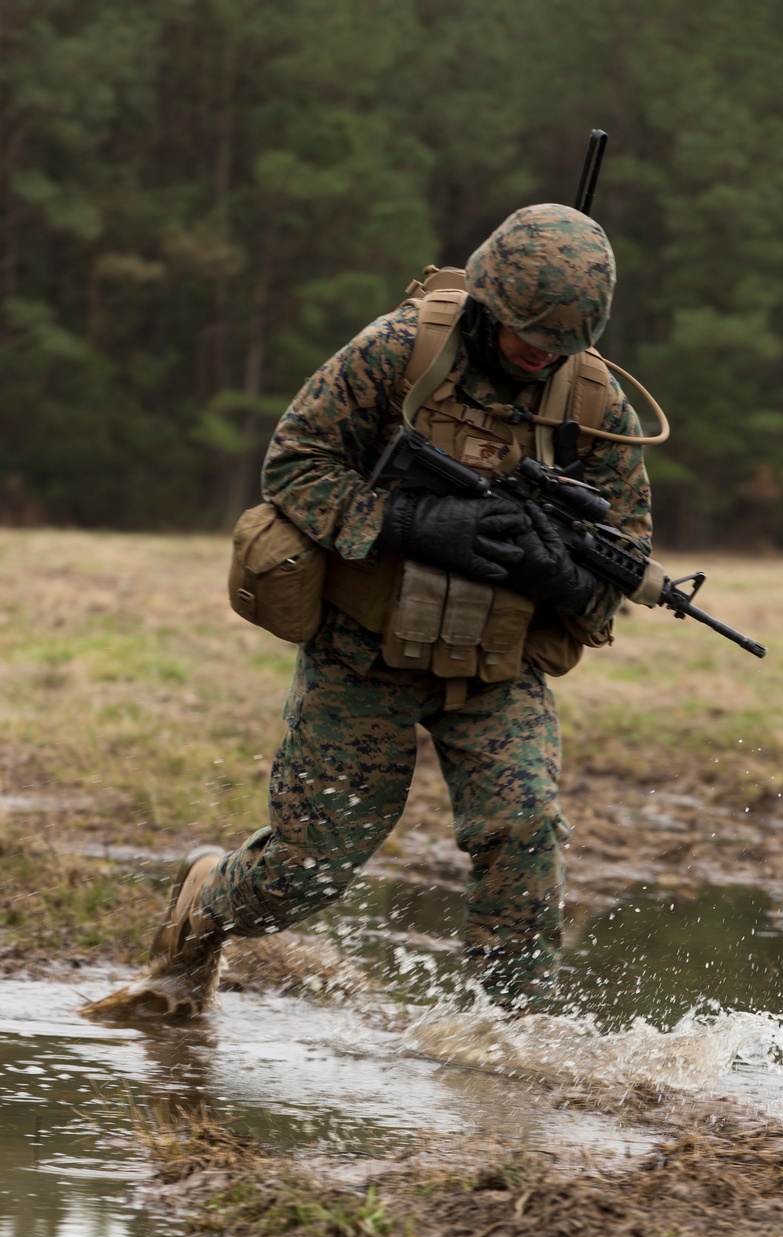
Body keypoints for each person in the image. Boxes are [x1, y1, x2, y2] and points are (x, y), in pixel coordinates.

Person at [148, 203, 652, 1013]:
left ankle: (509, 1033)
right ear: (488, 301)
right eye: (526, 337)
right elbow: (295, 464)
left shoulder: (595, 409)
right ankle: (208, 898)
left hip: (495, 671)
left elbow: (622, 562)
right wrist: (416, 521)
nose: (538, 357)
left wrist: (559, 573)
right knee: (308, 872)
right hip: (362, 654)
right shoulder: (398, 351)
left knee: (524, 831)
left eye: (558, 347)